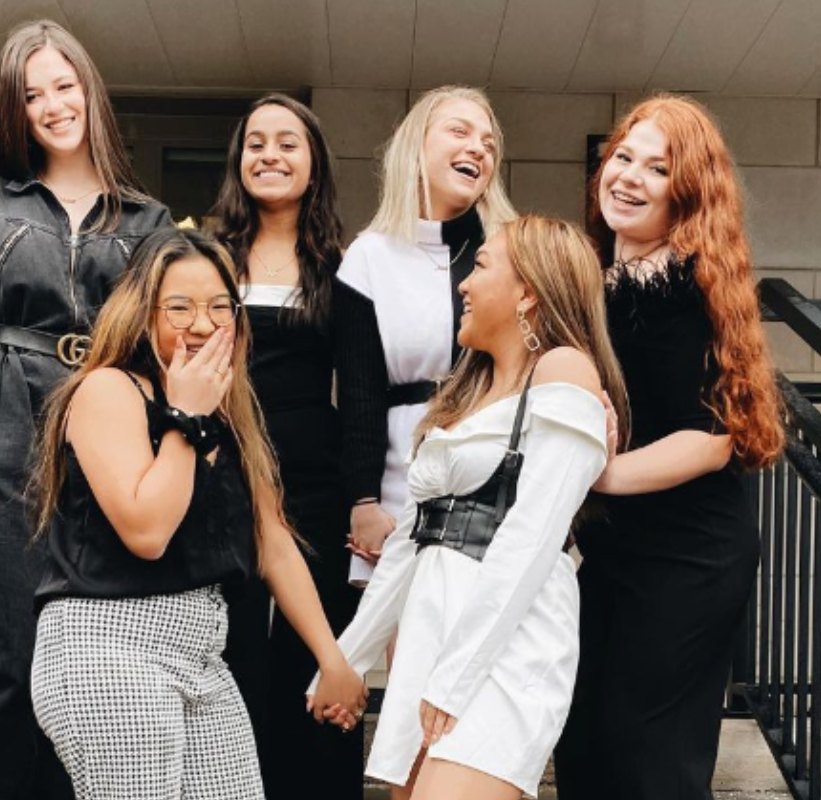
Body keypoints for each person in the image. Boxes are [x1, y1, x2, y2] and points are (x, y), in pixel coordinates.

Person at [0, 19, 172, 800]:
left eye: (64, 86)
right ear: (15, 113)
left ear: (90, 90)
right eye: (33, 96)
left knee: (92, 656)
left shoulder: (147, 218)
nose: (53, 105)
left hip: (107, 427)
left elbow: (160, 344)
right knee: (2, 660)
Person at [28, 227, 366, 800]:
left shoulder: (227, 415)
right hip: (109, 645)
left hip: (201, 653)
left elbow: (273, 541)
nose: (204, 325)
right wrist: (187, 418)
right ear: (142, 312)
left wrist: (332, 657)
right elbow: (147, 531)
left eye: (219, 308)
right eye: (179, 308)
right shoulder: (107, 391)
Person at [311, 215, 627, 800]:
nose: (463, 283)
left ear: (528, 290)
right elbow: (410, 541)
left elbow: (531, 539)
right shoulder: (469, 391)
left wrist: (456, 679)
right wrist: (347, 659)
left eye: (481, 267)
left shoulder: (563, 371)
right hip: (433, 637)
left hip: (507, 651)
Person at [553, 94, 784, 800]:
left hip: (689, 553)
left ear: (684, 195)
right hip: (618, 548)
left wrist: (590, 477)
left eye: (657, 169)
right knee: (585, 735)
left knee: (647, 754)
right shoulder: (600, 280)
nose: (629, 177)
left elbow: (713, 438)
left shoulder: (686, 287)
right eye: (623, 157)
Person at [210, 95, 364, 800]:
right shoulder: (206, 259)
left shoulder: (344, 268)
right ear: (238, 161)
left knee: (317, 644)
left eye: (288, 144)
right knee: (231, 643)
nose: (270, 156)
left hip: (312, 478)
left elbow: (362, 395)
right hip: (217, 472)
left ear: (314, 165)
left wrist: (364, 497)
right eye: (256, 144)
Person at [336, 85, 518, 585]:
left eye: (489, 144)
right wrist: (364, 502)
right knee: (408, 653)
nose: (478, 148)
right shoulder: (367, 257)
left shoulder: (513, 251)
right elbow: (358, 393)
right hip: (401, 480)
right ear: (416, 145)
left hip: (493, 471)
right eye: (459, 131)